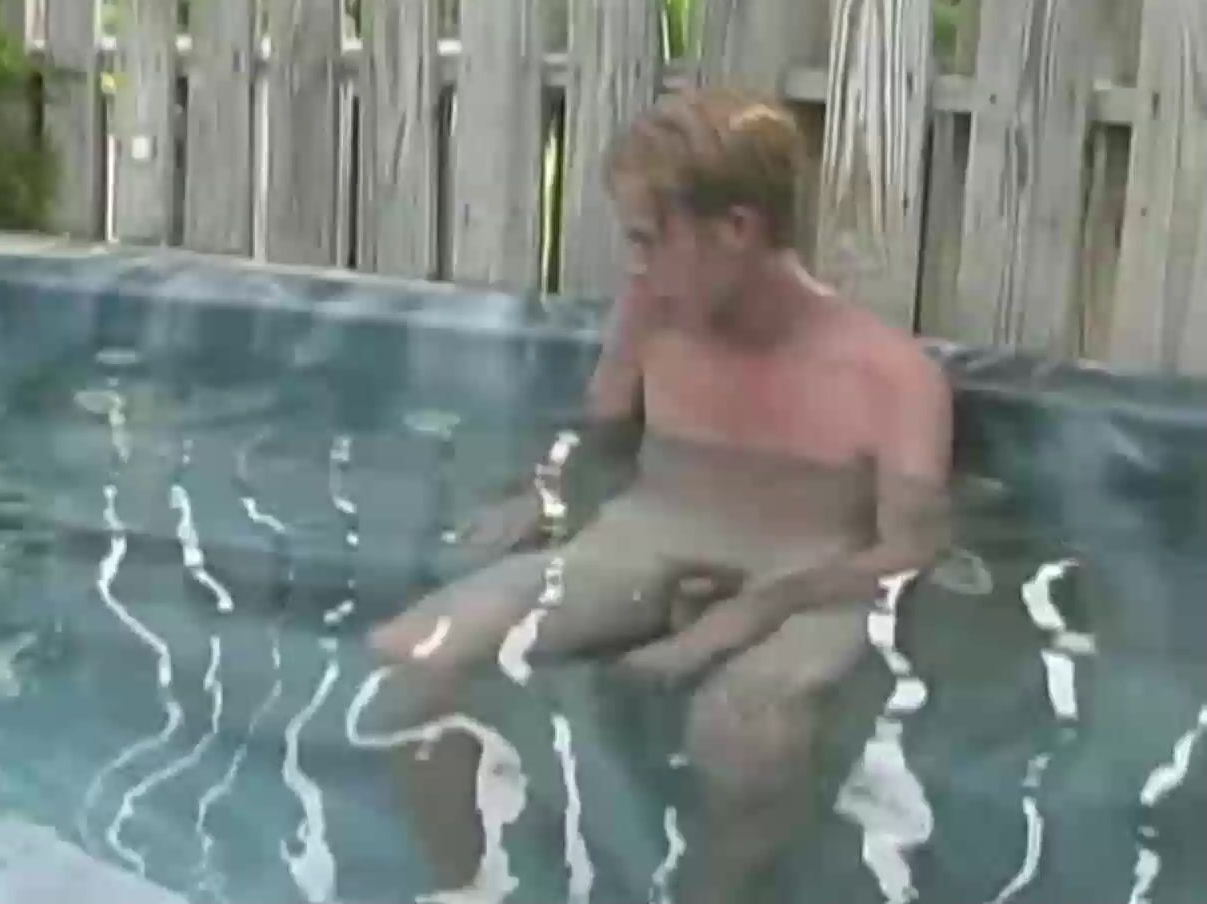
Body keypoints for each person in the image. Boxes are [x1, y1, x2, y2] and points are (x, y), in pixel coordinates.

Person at [361, 88, 953, 903]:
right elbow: (601, 426)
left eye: (647, 239)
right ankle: (461, 892)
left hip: (811, 567)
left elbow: (910, 548)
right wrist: (545, 490)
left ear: (736, 229)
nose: (633, 267)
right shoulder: (653, 316)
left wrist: (759, 609)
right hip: (652, 531)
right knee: (413, 657)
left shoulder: (893, 377)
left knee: (741, 733)